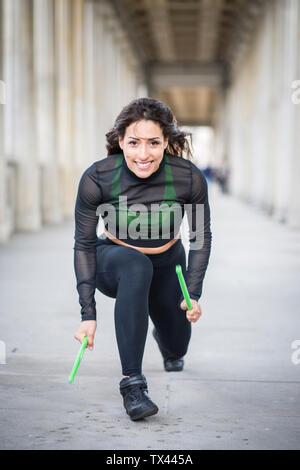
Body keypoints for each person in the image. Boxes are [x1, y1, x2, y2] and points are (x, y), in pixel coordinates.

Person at [73, 98, 212, 421]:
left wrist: (192, 293)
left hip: (168, 262)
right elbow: (83, 243)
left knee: (178, 347)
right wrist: (87, 313)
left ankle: (166, 339)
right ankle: (132, 385)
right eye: (134, 143)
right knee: (136, 264)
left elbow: (200, 239)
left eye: (153, 143)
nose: (143, 154)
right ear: (120, 141)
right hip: (116, 260)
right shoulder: (98, 177)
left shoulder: (188, 177)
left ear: (166, 142)